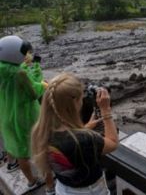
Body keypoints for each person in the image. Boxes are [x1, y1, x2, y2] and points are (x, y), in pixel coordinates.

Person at [31, 73, 118, 195]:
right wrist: (106, 111)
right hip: (91, 191)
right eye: (81, 98)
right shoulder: (84, 139)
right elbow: (113, 143)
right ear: (74, 103)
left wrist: (85, 127)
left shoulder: (41, 131)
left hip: (64, 188)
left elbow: (67, 141)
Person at [0, 35, 52, 190]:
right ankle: (45, 182)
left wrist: (26, 66)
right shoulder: (19, 74)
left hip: (7, 114)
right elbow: (33, 92)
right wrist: (41, 80)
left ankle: (28, 178)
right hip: (24, 116)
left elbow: (16, 76)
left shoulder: (4, 69)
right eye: (24, 53)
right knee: (35, 147)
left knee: (16, 146)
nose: (26, 55)